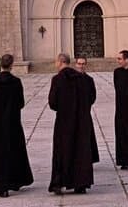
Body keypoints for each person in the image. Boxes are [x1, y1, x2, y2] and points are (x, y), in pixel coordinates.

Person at [0, 53, 33, 198]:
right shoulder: (16, 82)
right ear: (11, 65)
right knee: (14, 151)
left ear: (0, 64)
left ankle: (1, 186)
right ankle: (15, 181)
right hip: (13, 123)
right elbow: (21, 103)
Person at [48, 53, 95, 194]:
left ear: (60, 62)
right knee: (81, 150)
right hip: (82, 121)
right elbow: (91, 98)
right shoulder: (83, 79)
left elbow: (53, 103)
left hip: (64, 122)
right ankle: (80, 183)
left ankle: (58, 183)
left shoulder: (57, 79)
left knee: (62, 151)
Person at [74, 56, 100, 164]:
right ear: (75, 65)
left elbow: (93, 96)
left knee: (87, 135)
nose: (81, 66)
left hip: (85, 112)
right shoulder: (72, 79)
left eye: (83, 64)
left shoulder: (89, 80)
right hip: (74, 113)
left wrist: (86, 105)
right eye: (79, 64)